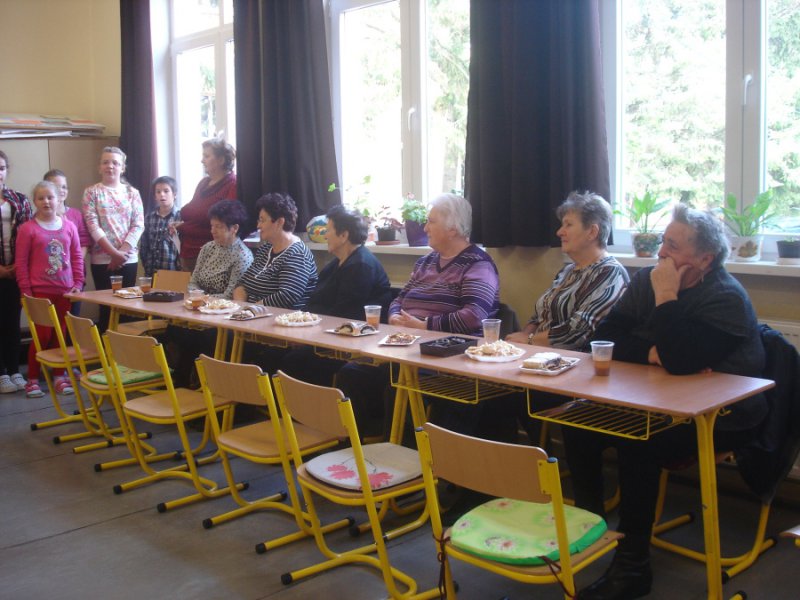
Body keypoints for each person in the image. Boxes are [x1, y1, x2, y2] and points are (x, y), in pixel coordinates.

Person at [565, 204, 767, 600]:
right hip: (661, 400)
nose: (661, 252)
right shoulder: (648, 279)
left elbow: (680, 360)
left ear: (704, 259)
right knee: (578, 423)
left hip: (727, 415)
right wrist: (653, 352)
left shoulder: (725, 297)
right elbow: (603, 339)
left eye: (673, 246)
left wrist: (667, 297)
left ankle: (633, 567)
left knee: (639, 440)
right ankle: (589, 529)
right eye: (662, 241)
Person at [334, 193, 500, 438]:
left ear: (453, 228)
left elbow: (474, 315)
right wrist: (394, 317)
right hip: (408, 349)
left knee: (400, 385)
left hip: (449, 357)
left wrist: (425, 325)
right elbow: (399, 299)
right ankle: (356, 445)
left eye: (431, 222)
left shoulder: (478, 264)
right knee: (352, 373)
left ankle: (403, 455)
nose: (425, 228)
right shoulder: (425, 262)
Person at [279, 204, 392, 386]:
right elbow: (315, 301)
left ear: (344, 235)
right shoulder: (336, 263)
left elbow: (344, 315)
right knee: (278, 352)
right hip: (330, 336)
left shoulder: (361, 265)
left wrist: (306, 335)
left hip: (354, 342)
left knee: (294, 360)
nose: (325, 235)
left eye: (328, 230)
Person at [506, 191, 629, 351]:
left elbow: (577, 332)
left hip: (579, 360)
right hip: (543, 354)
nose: (559, 232)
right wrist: (521, 340)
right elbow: (539, 317)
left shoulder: (609, 272)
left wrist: (529, 340)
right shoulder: (568, 270)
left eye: (568, 225)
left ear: (592, 232)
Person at [168, 200, 252, 388]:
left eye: (219, 227)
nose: (213, 231)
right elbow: (193, 280)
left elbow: (231, 295)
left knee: (200, 335)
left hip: (222, 314)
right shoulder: (208, 248)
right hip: (199, 308)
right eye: (212, 226)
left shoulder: (242, 256)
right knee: (175, 328)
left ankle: (197, 382)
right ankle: (179, 378)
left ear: (234, 228)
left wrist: (203, 301)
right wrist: (196, 299)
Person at [15, 181, 84, 398]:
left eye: (50, 197)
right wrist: (26, 292)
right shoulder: (28, 229)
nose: (46, 201)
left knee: (60, 335)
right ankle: (33, 379)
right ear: (35, 201)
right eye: (41, 198)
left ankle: (59, 376)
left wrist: (78, 284)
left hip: (64, 291)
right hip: (39, 292)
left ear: (59, 199)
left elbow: (77, 257)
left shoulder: (69, 227)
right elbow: (21, 262)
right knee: (41, 336)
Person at [82, 146, 144, 332]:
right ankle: (105, 347)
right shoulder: (91, 192)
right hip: (102, 260)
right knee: (107, 308)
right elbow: (92, 225)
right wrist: (113, 253)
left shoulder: (132, 193)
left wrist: (120, 254)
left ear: (122, 168)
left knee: (126, 307)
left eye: (115, 163)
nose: (110, 166)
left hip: (127, 259)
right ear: (99, 167)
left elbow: (138, 224)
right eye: (106, 162)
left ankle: (124, 348)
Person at [232, 192, 316, 308]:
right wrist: (242, 307)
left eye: (262, 220)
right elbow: (242, 284)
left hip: (280, 317)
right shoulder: (265, 249)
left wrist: (252, 310)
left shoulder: (297, 254)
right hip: (251, 313)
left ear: (279, 222)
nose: (258, 226)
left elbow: (287, 296)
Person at [176, 138, 237, 273]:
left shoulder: (232, 184)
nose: (202, 160)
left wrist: (186, 227)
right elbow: (192, 212)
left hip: (213, 258)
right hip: (188, 253)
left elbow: (223, 224)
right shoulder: (203, 183)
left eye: (206, 156)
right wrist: (181, 225)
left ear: (221, 160)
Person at [0, 149, 33, 394]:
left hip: (15, 272)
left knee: (12, 323)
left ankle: (14, 370)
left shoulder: (19, 200)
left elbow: (28, 236)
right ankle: (1, 373)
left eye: (1, 168)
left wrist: (15, 268)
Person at [44, 169, 90, 317]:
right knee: (50, 319)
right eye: (56, 187)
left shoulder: (76, 215)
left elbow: (84, 242)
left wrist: (71, 262)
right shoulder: (39, 218)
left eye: (64, 187)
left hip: (74, 276)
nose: (61, 190)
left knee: (72, 317)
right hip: (50, 278)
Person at [139, 176, 181, 277]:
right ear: (155, 196)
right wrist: (146, 263)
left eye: (166, 191)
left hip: (173, 271)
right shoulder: (149, 218)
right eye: (158, 192)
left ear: (174, 194)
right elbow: (144, 244)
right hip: (151, 271)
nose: (162, 194)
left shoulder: (180, 217)